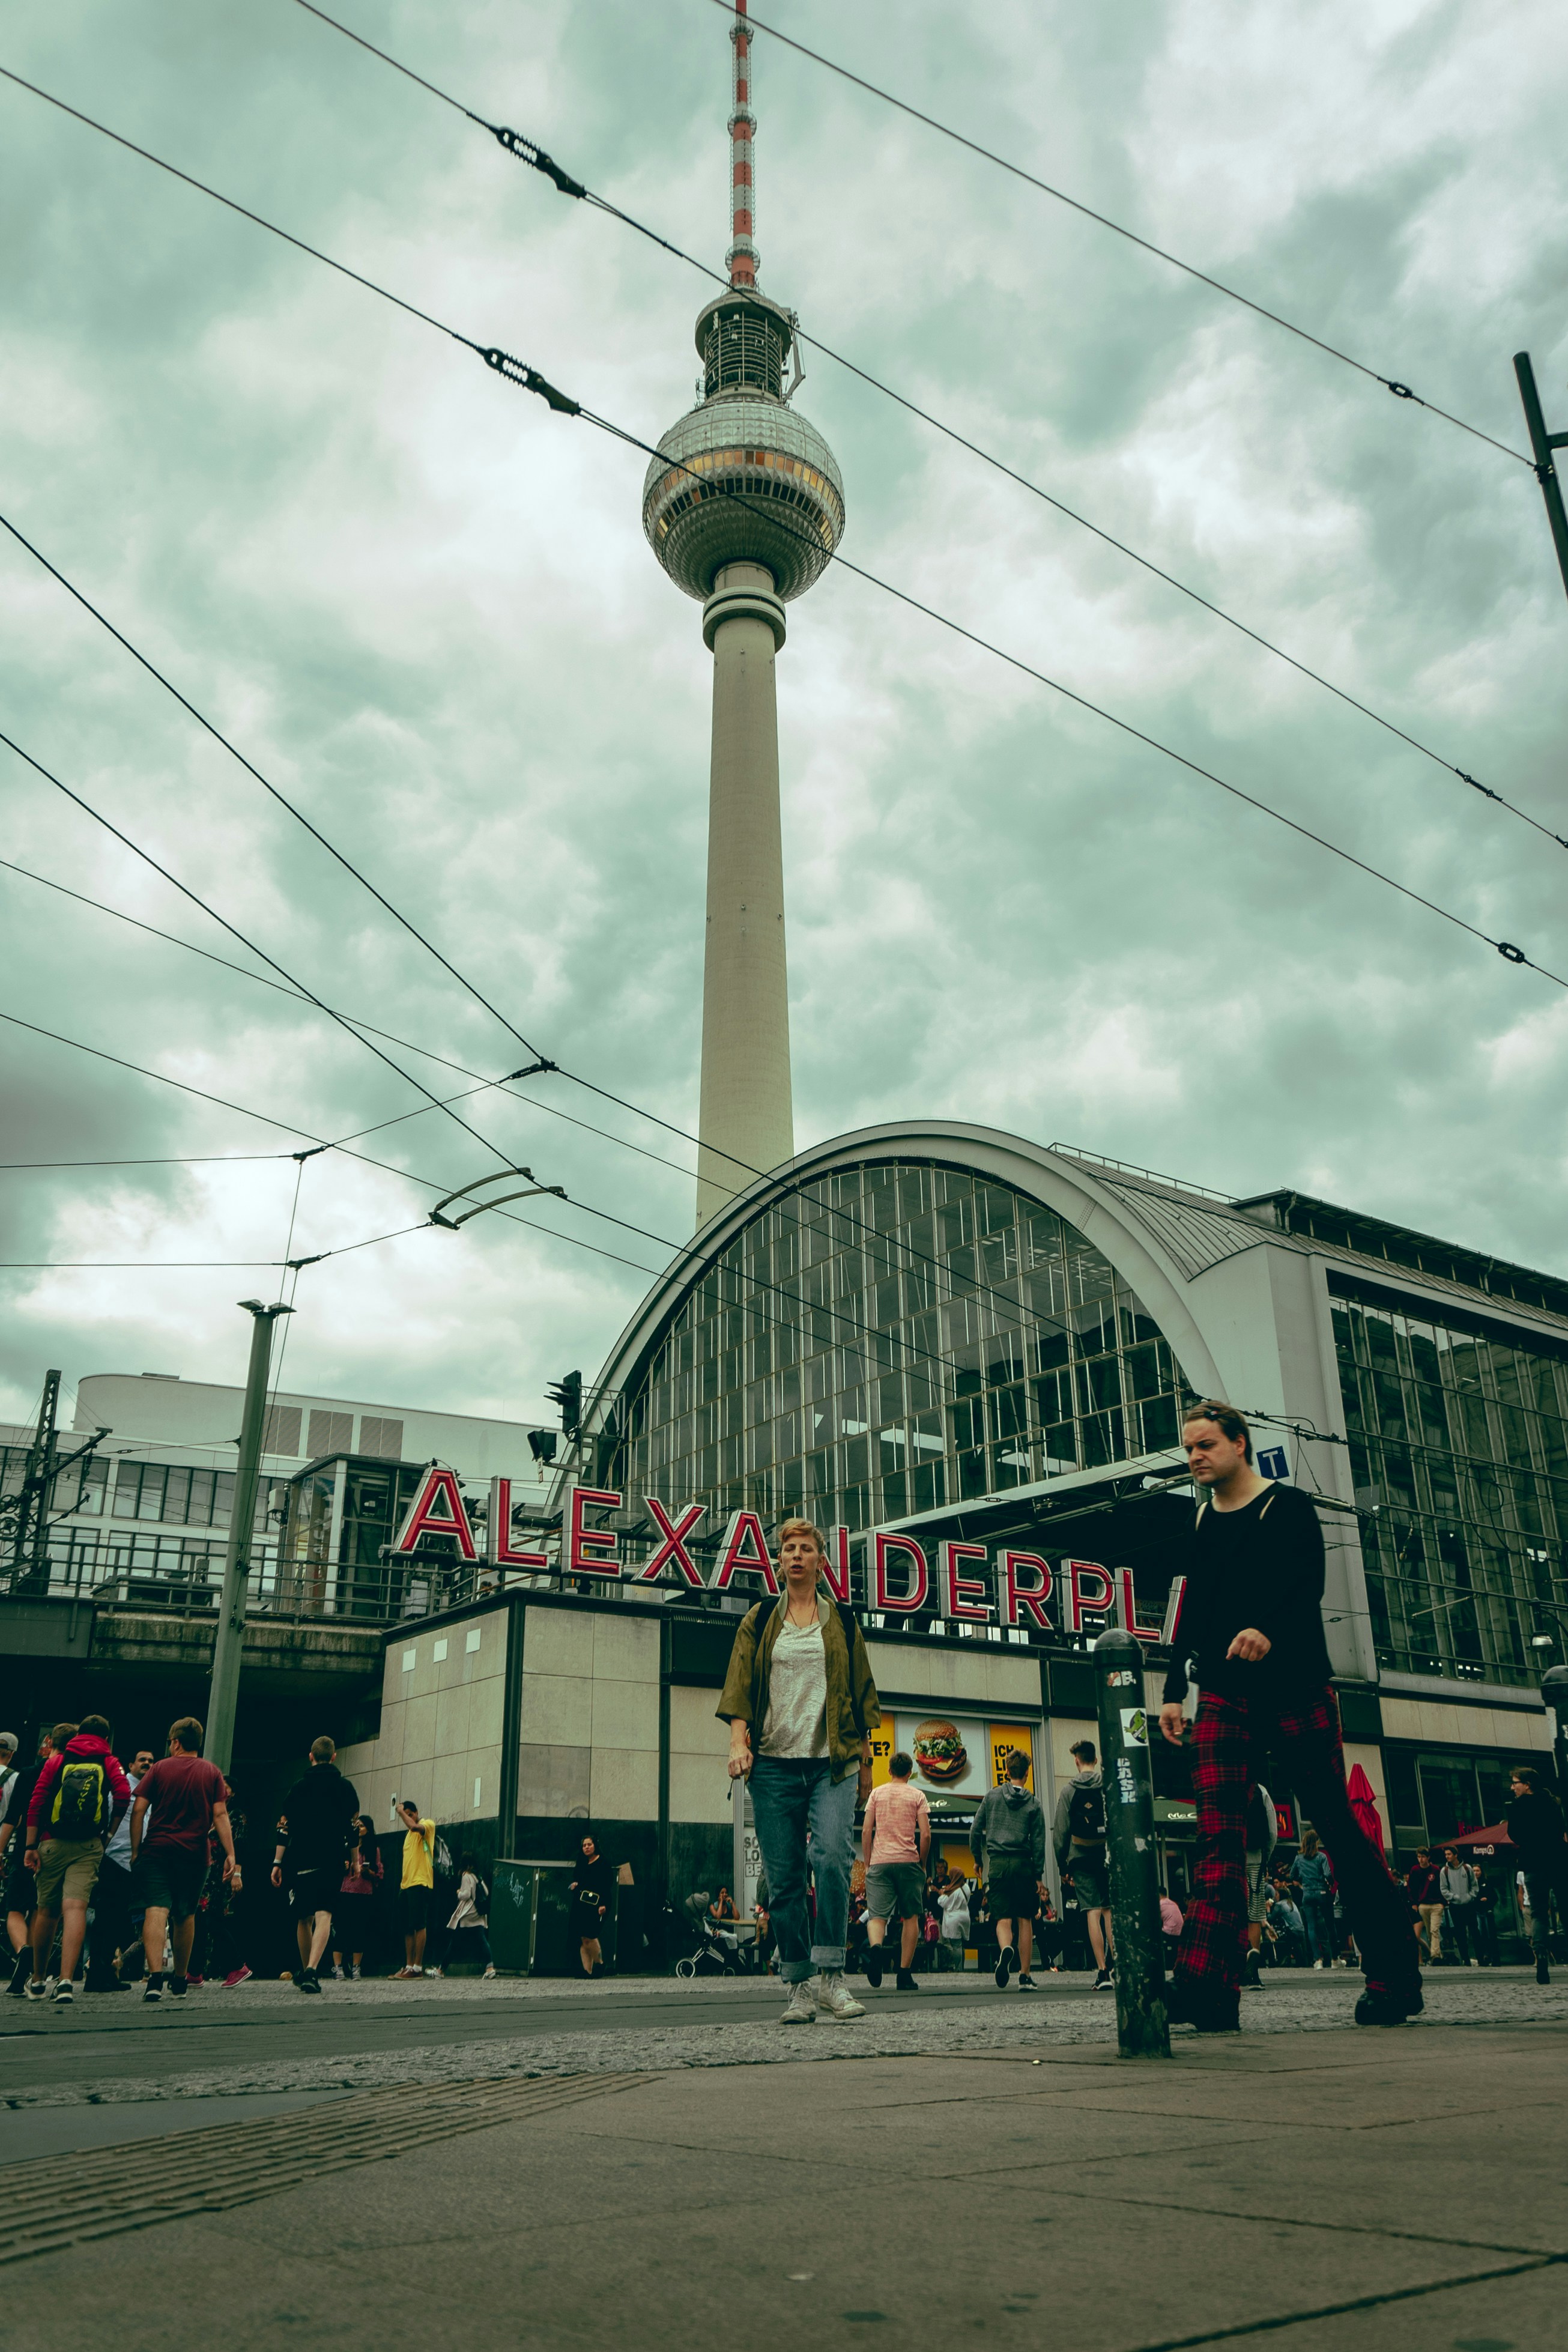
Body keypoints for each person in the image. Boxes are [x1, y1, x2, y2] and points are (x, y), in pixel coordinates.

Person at [1159, 1403, 1418, 2031]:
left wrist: (1266, 1629)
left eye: (1205, 1444)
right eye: (1188, 1448)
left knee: (1338, 1829)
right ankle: (1206, 1988)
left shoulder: (1287, 1507)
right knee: (1217, 1837)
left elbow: (1307, 1585)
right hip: (1222, 1692)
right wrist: (1172, 1686)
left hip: (1295, 1689)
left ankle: (1393, 1978)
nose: (1195, 1457)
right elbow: (1192, 1607)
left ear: (1239, 1444)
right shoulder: (1200, 1518)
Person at [719, 1516, 879, 2026]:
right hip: (772, 1767)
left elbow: (862, 1694)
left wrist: (867, 1767)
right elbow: (740, 1684)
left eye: (805, 1548)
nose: (795, 1555)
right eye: (788, 1548)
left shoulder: (842, 1621)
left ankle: (832, 1975)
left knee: (832, 1858)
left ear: (820, 1560)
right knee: (784, 1877)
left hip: (832, 1764)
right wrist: (737, 1742)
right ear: (779, 1559)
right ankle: (798, 1985)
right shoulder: (761, 1618)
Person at [21, 1715, 133, 2004]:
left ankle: (37, 1980)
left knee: (47, 1911)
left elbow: (37, 1801)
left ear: (79, 1734)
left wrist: (31, 1845)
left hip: (51, 1841)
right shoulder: (109, 1762)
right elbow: (123, 1795)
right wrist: (108, 1834)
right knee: (75, 1908)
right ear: (105, 1738)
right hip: (89, 1844)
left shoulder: (58, 1762)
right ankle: (66, 1981)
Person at [128, 1717, 237, 2004]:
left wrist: (136, 1850)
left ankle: (154, 1979)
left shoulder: (160, 1768)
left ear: (175, 1742)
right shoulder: (212, 1772)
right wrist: (231, 1854)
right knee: (186, 1915)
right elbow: (220, 1814)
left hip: (157, 1851)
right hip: (195, 1854)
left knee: (156, 1909)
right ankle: (180, 1980)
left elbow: (139, 1809)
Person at [271, 1735, 359, 1995]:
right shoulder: (345, 1788)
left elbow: (284, 1827)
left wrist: (277, 1862)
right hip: (332, 1859)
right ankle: (312, 1970)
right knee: (324, 1914)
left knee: (303, 1917)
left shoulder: (298, 1787)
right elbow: (353, 1828)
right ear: (334, 1757)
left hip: (301, 1859)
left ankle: (307, 1970)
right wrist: (355, 1860)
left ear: (311, 1757)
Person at [975, 1749, 1047, 1990]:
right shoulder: (1034, 1803)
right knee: (1025, 1919)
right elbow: (1039, 1842)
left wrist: (977, 1858)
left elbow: (975, 1829)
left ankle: (1006, 1948)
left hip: (997, 1863)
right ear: (1027, 1774)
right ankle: (1025, 1976)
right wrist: (1038, 1875)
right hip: (1023, 1864)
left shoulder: (992, 1796)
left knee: (1003, 1918)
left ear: (1007, 1771)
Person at [860, 1750, 930, 1992]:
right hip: (908, 1862)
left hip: (880, 1862)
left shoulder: (876, 1794)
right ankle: (904, 1975)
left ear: (890, 1771)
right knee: (911, 1917)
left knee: (877, 1916)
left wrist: (868, 1863)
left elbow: (866, 1830)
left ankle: (876, 1949)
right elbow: (926, 1834)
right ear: (910, 1773)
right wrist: (922, 1864)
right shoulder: (918, 1795)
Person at [86, 1744, 154, 1991]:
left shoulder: (151, 1793)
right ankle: (96, 1976)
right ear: (131, 1766)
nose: (147, 1763)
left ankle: (106, 1974)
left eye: (151, 1761)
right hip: (115, 1860)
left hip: (134, 1864)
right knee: (106, 1919)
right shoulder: (122, 1789)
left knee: (117, 1920)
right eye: (142, 1760)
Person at [1053, 1739, 1113, 1989]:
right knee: (1109, 1910)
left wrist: (1062, 1865)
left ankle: (1102, 1972)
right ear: (1096, 1760)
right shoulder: (1107, 1786)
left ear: (1077, 1761)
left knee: (1092, 1912)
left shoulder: (1069, 1791)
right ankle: (1119, 1967)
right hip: (1105, 1855)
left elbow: (1060, 1832)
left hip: (1080, 1856)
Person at [2, 1730, 56, 1994]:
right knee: (39, 1909)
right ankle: (32, 1968)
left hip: (25, 1846)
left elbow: (13, 1817)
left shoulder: (28, 1773)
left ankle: (22, 1949)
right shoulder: (67, 1772)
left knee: (14, 1909)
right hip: (53, 1849)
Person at [1506, 1766, 1568, 1986]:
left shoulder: (1517, 1806)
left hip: (1533, 1863)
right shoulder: (1552, 1802)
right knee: (1565, 1907)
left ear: (1527, 1785)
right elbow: (1561, 1829)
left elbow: (1514, 1834)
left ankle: (1541, 1955)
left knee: (1539, 1914)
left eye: (1516, 1783)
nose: (1512, 1787)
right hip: (1559, 1862)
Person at [331, 1816, 383, 1980]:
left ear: (369, 1829)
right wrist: (344, 1866)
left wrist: (368, 1872)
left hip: (364, 1892)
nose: (359, 1828)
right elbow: (334, 1868)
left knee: (360, 1931)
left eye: (362, 1826)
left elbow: (379, 1873)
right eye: (357, 1825)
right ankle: (337, 1968)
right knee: (341, 1930)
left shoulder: (373, 1849)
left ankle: (356, 1968)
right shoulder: (346, 1846)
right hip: (345, 1890)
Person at [393, 1799, 437, 1977]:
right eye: (407, 1815)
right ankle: (409, 1965)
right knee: (407, 1927)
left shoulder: (428, 1824)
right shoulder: (407, 1835)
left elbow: (414, 1827)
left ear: (417, 1812)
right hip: (406, 1884)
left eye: (411, 1814)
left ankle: (418, 1967)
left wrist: (401, 1812)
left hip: (420, 1882)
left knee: (419, 1924)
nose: (409, 1818)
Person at [1242, 1781, 1279, 1990]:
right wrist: (1265, 1858)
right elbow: (1272, 1832)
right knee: (1254, 1916)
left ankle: (1233, 1966)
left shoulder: (1222, 1785)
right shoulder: (1260, 1789)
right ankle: (1253, 1972)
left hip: (1229, 1859)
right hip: (1255, 1858)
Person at [1289, 1831, 1336, 1968]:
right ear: (1316, 1843)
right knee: (1330, 1925)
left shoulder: (1299, 1858)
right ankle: (1335, 1958)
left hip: (1308, 1893)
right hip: (1322, 1892)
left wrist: (1303, 1879)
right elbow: (1328, 1873)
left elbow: (1292, 1875)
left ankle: (1317, 1960)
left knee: (1311, 1927)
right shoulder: (1321, 1857)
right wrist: (1330, 1883)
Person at [445, 1855, 496, 1978]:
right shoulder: (477, 1876)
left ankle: (441, 1971)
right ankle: (490, 1968)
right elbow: (486, 1892)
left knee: (454, 1942)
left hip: (467, 1914)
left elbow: (466, 1895)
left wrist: (459, 1893)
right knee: (482, 1940)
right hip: (478, 1914)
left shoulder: (466, 1876)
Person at [571, 1835, 611, 1977]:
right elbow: (578, 1880)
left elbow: (607, 1884)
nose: (587, 1848)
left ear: (595, 1846)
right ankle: (587, 1971)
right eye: (584, 1845)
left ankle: (600, 1964)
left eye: (589, 1845)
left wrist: (603, 1904)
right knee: (583, 1938)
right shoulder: (582, 1863)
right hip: (582, 1904)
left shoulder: (603, 1863)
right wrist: (575, 1885)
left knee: (590, 1935)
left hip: (597, 1904)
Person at [1438, 1847, 1483, 1967]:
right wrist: (1453, 1897)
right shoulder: (1444, 1871)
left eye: (1449, 1854)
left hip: (1469, 1905)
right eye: (1446, 1854)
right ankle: (1466, 1959)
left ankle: (1480, 1958)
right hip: (1455, 1906)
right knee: (1460, 1934)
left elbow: (1474, 1885)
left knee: (1475, 1932)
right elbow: (1443, 1889)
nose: (1447, 1857)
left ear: (1456, 1855)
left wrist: (1471, 1896)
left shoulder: (1467, 1868)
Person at [1405, 1847, 1444, 1967]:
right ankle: (1436, 1954)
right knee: (1429, 1932)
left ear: (1428, 1858)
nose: (1421, 1859)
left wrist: (1443, 1902)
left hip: (1436, 1904)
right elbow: (1411, 1888)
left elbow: (1442, 1886)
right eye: (1419, 1857)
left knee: (1434, 1930)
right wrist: (1414, 1903)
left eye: (1423, 1857)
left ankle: (1435, 1955)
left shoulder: (1436, 1870)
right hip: (1423, 1904)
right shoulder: (1415, 1870)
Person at [939, 1873, 971, 1969]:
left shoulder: (952, 1891)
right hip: (965, 1918)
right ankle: (961, 1967)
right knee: (961, 1946)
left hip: (954, 1920)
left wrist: (943, 1893)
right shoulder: (966, 1888)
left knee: (956, 1946)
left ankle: (958, 1969)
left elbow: (942, 1902)